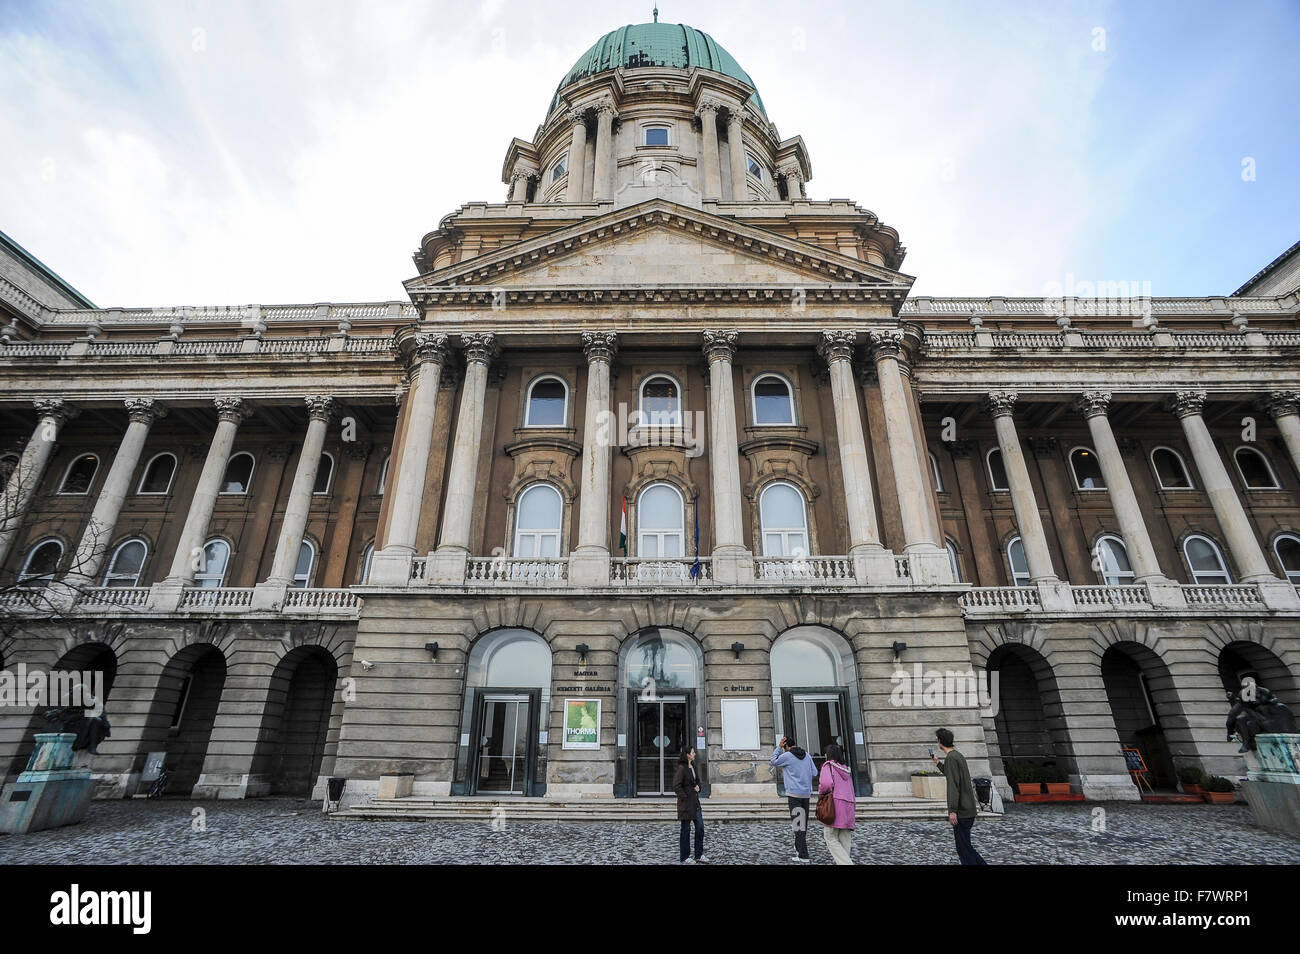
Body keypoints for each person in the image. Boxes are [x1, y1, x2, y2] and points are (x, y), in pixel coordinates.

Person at [932, 727, 986, 865]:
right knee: (967, 847)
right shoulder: (957, 756)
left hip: (962, 811)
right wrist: (938, 763)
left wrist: (952, 811)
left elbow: (953, 786)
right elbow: (953, 775)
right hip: (968, 809)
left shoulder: (951, 758)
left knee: (963, 849)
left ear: (940, 742)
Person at [771, 735, 817, 862]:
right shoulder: (807, 755)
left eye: (784, 747)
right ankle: (799, 850)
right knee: (803, 824)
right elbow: (814, 773)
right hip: (806, 795)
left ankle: (803, 855)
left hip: (794, 795)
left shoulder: (787, 756)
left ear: (786, 746)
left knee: (798, 825)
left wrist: (778, 748)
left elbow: (773, 761)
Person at [817, 742, 855, 865]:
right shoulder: (846, 769)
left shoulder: (828, 766)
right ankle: (845, 861)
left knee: (830, 836)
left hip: (834, 804)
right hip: (849, 804)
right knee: (845, 837)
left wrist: (820, 792)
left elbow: (826, 784)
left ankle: (846, 863)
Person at [673, 746, 707, 863]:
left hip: (695, 803)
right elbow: (676, 786)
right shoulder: (682, 769)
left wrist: (699, 787)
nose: (695, 754)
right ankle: (685, 856)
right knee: (686, 830)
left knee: (700, 828)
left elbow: (697, 781)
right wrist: (685, 797)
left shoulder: (693, 766)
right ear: (687, 754)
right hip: (686, 805)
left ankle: (699, 854)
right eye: (693, 752)